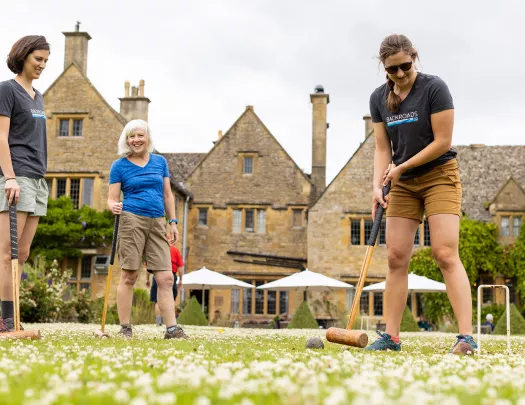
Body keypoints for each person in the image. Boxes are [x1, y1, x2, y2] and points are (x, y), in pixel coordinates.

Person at [366, 34, 476, 354]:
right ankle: (391, 338)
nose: (400, 74)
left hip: (439, 175)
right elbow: (382, 147)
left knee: (444, 253)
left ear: (414, 57)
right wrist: (377, 186)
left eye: (405, 66)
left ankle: (466, 337)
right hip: (401, 183)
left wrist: (400, 168)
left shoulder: (433, 88)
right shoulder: (378, 98)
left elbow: (442, 141)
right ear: (383, 68)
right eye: (392, 70)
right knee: (396, 257)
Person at [107, 119, 188, 339]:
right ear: (126, 140)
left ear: (148, 137)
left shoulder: (160, 162)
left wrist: (173, 222)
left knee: (166, 278)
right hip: (131, 220)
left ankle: (172, 329)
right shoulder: (119, 166)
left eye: (140, 135)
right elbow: (111, 198)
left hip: (157, 221)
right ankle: (125, 327)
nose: (136, 140)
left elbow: (167, 194)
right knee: (129, 276)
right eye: (131, 136)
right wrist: (113, 206)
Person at [0, 36, 50, 332]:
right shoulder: (7, 90)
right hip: (16, 177)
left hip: (37, 178)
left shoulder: (39, 96)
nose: (42, 65)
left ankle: (11, 315)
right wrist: (9, 177)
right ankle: (6, 320)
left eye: (45, 60)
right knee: (8, 252)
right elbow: (1, 137)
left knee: (24, 253)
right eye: (38, 59)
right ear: (23, 57)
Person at [146, 243, 184, 326]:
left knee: (157, 300)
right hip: (171, 274)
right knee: (171, 300)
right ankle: (171, 322)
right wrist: (181, 280)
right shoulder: (175, 250)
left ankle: (158, 321)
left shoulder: (156, 248)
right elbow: (180, 267)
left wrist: (147, 279)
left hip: (157, 274)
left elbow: (149, 265)